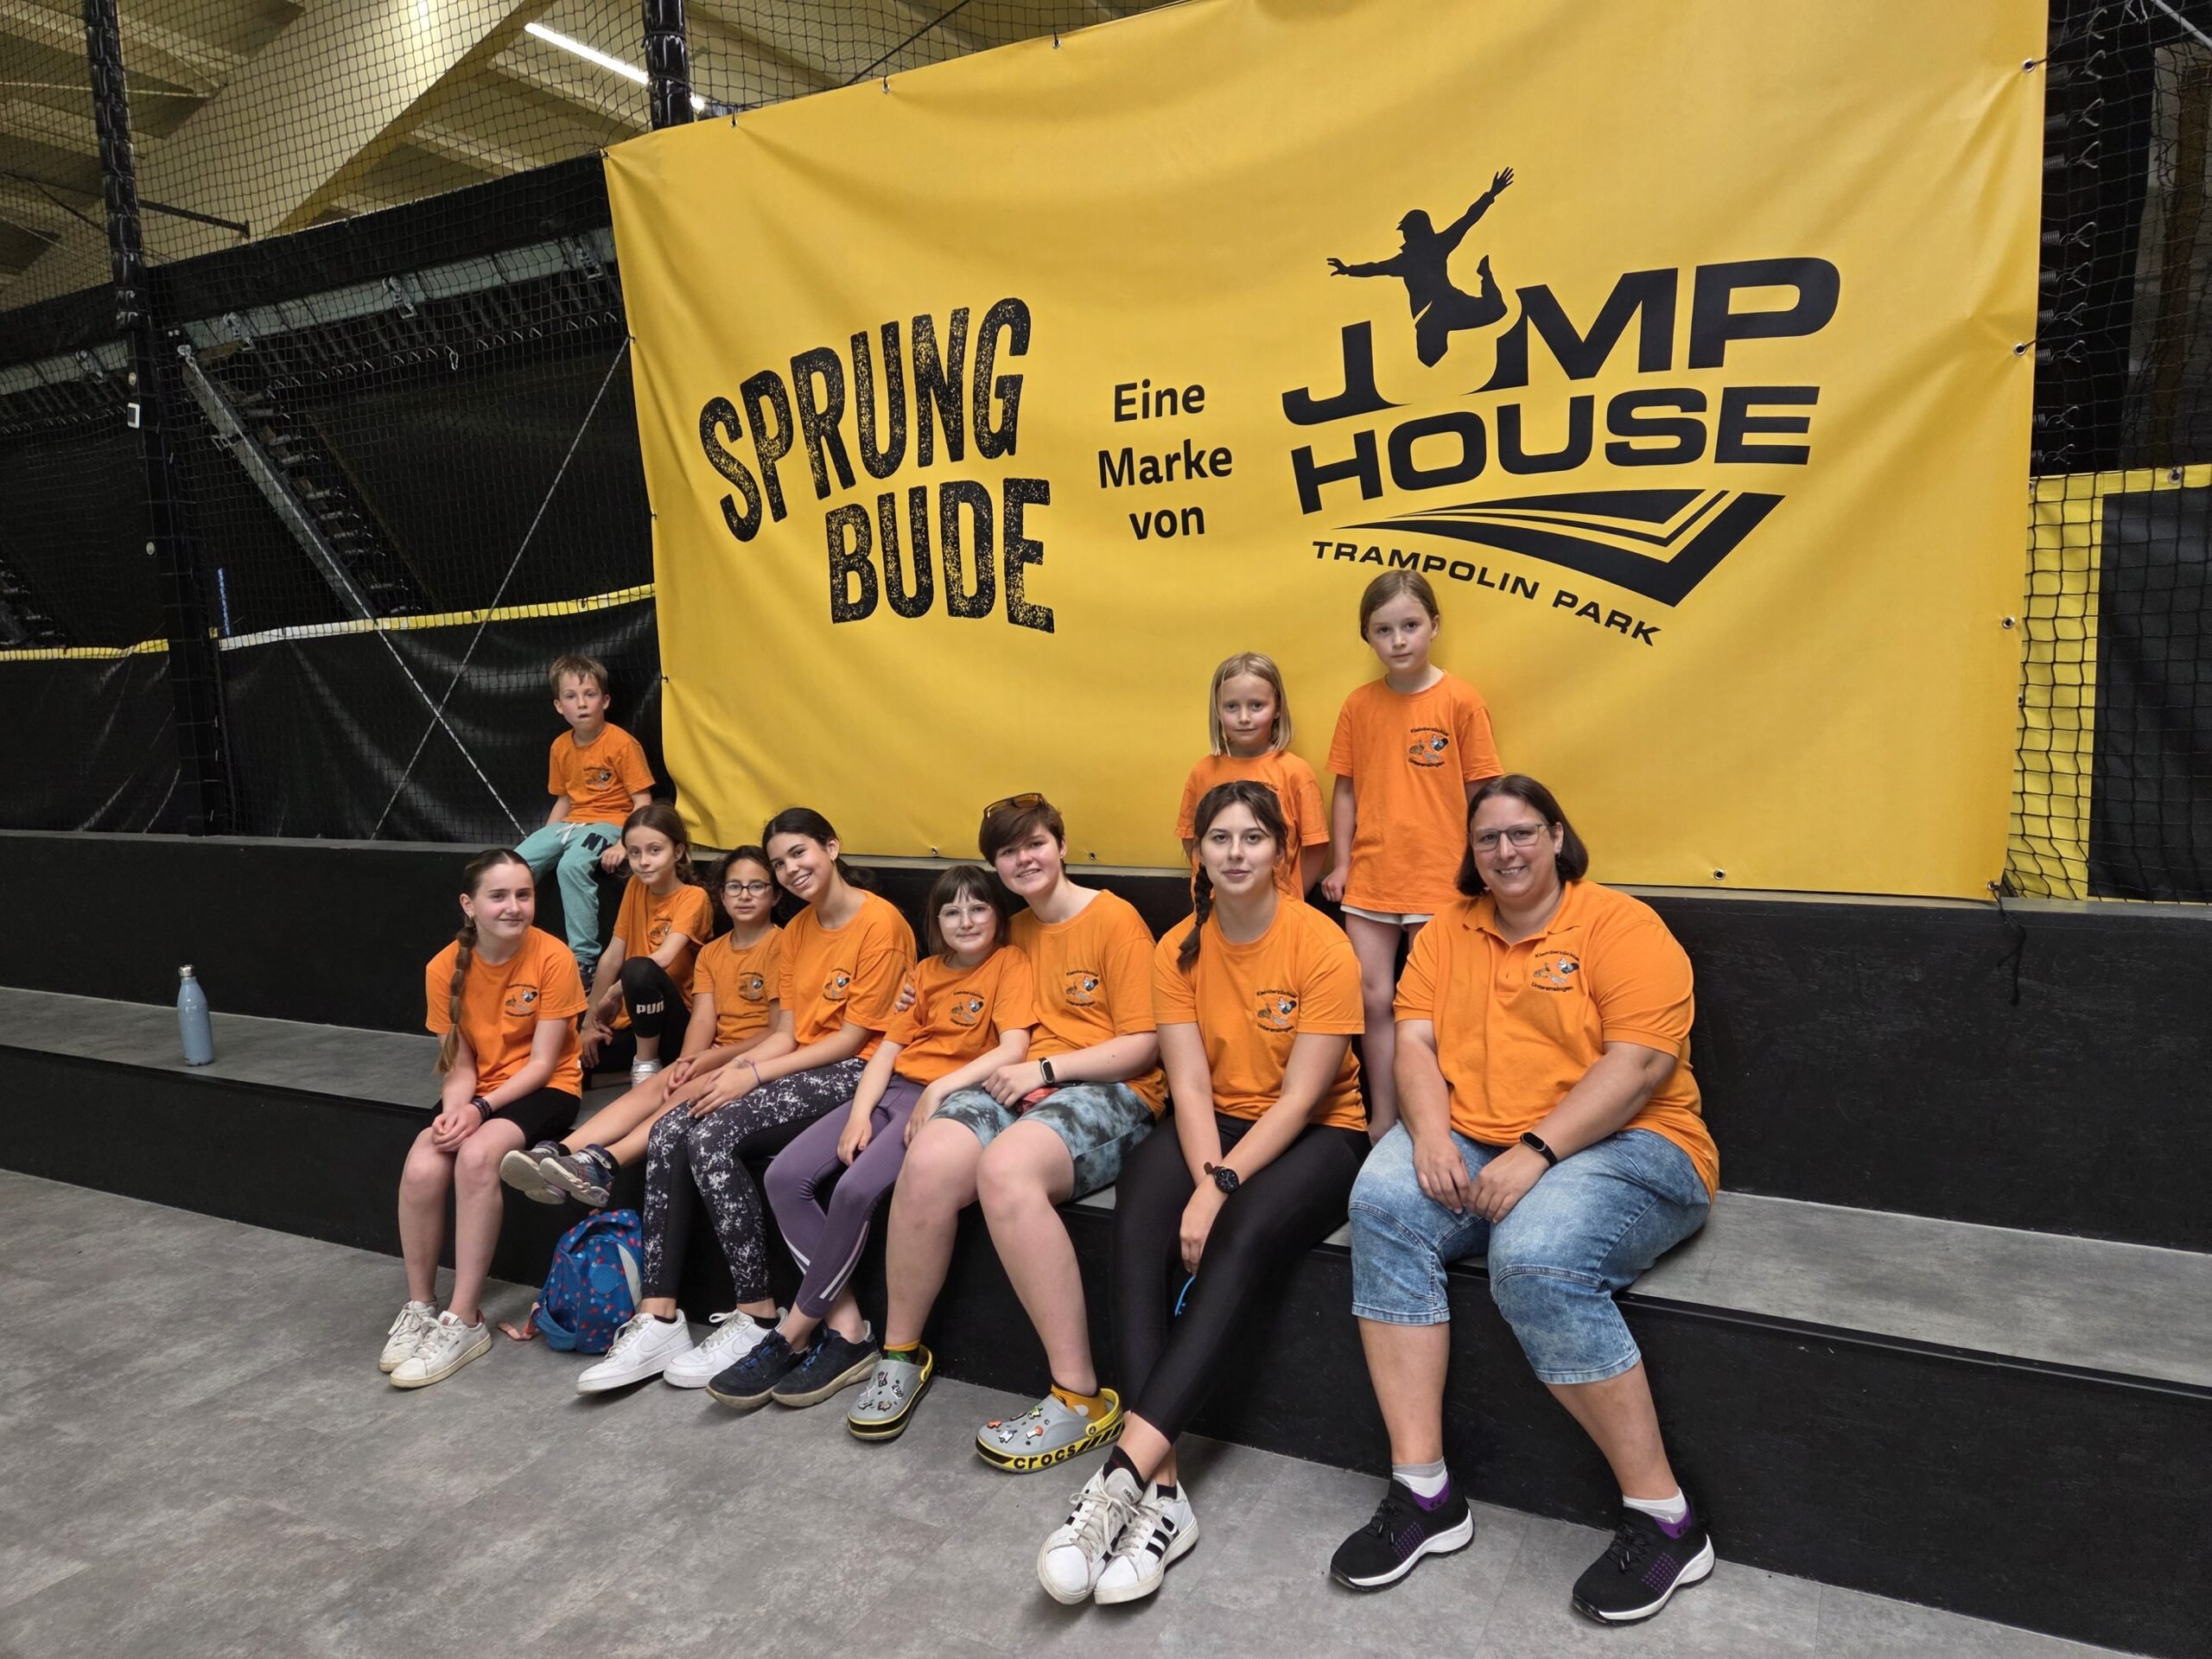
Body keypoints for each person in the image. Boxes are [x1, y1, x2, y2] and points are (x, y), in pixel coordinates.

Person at [1326, 776, 1719, 1626]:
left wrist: (1536, 1153)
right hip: (1477, 1137)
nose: (1504, 851)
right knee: (1382, 1205)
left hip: (1633, 1144)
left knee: (1535, 1257)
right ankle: (1424, 1494)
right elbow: (1414, 1043)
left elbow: (1639, 1067)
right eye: (1487, 839)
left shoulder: (1620, 926)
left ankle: (1667, 1520)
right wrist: (1430, 1137)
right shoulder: (1446, 931)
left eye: (1521, 833)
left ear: (1557, 836)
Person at [1037, 782, 1369, 1606]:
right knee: (1137, 1222)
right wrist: (1202, 1173)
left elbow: (1301, 1098)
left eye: (1253, 837)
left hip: (1321, 1131)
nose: (1235, 852)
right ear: (1197, 852)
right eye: (1219, 838)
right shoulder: (1179, 947)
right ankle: (1165, 1493)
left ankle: (1117, 1480)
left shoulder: (1322, 945)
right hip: (1212, 1118)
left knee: (1241, 1233)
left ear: (1281, 851)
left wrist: (1218, 1187)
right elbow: (1187, 1086)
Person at [572, 808, 914, 1396]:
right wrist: (733, 1070)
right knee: (674, 1125)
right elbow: (787, 1032)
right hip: (797, 1062)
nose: (790, 869)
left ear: (832, 848)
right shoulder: (799, 930)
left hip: (857, 1071)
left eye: (799, 853)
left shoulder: (880, 923)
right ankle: (658, 1316)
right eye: (779, 862)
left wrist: (751, 1074)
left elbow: (850, 1041)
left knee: (710, 1134)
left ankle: (756, 1313)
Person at [874, 792, 1163, 1465]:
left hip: (1113, 1088)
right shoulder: (1016, 929)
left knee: (1005, 1170)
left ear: (1061, 846)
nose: (1024, 859)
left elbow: (1144, 1046)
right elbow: (955, 983)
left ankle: (1080, 1398)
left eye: (1035, 843)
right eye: (1008, 851)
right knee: (929, 1158)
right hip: (1022, 1079)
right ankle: (899, 1354)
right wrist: (916, 998)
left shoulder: (1116, 920)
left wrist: (1047, 1069)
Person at [731, 866, 1035, 1416]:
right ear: (935, 922)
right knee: (784, 1176)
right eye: (951, 911)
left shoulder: (1009, 963)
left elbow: (1013, 1048)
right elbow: (888, 1052)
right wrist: (858, 1115)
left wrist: (939, 1089)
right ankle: (846, 1328)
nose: (966, 921)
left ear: (998, 914)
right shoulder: (924, 971)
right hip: (889, 1089)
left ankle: (793, 1331)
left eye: (978, 908)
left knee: (852, 1191)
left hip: (942, 1100)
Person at [382, 849, 587, 1389]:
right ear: (469, 905)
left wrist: (479, 1112)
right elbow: (460, 1066)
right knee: (423, 1164)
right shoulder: (442, 967)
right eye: (499, 896)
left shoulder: (553, 957)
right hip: (477, 1092)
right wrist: (456, 1112)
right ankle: (421, 1306)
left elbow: (544, 1064)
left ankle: (465, 1318)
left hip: (546, 1087)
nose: (514, 906)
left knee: (476, 1158)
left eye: (524, 894)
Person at [498, 846, 782, 1225]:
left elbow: (778, 1032)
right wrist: (686, 1062)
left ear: (775, 895)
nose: (744, 895)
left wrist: (705, 1062)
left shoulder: (783, 946)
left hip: (757, 1062)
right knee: (660, 1084)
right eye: (735, 887)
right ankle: (558, 1152)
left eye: (756, 886)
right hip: (713, 1053)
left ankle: (600, 1163)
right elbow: (702, 1019)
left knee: (681, 1092)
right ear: (723, 895)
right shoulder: (712, 953)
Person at [1321, 569, 1502, 1135]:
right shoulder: (1358, 705)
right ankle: (1382, 1118)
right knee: (1372, 1000)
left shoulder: (1462, 701)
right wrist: (1342, 864)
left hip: (1441, 879)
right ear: (1367, 636)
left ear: (1434, 626)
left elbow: (1482, 794)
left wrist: (1482, 867)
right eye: (1384, 630)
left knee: (1432, 1007)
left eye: (1410, 625)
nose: (1398, 640)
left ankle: (1436, 1121)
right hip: (1372, 878)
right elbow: (1346, 790)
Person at [512, 653, 654, 982]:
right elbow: (564, 799)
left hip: (610, 823)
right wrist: (546, 840)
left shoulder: (622, 744)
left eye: (589, 694)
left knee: (572, 865)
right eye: (571, 696)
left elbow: (643, 801)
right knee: (515, 863)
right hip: (570, 824)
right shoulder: (560, 747)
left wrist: (625, 844)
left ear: (604, 700)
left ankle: (584, 961)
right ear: (559, 706)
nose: (581, 703)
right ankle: (508, 940)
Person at [577, 803, 714, 1085]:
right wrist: (589, 1023)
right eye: (635, 852)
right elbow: (612, 955)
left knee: (638, 969)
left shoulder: (694, 897)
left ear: (678, 852)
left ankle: (646, 1065)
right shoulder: (636, 886)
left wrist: (614, 993)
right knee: (572, 1060)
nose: (643, 862)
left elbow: (664, 958)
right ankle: (632, 1070)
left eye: (654, 850)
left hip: (675, 1023)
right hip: (634, 1020)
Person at [1175, 652, 1329, 900]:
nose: (1244, 718)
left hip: (1277, 908)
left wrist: (1293, 896)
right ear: (1217, 710)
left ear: (1277, 708)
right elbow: (1190, 837)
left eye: (1257, 705)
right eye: (1231, 706)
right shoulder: (1203, 772)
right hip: (1216, 907)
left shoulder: (1295, 772)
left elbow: (1316, 846)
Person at [1327, 168, 1515, 367]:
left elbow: (1467, 220)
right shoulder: (1419, 254)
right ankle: (1481, 280)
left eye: (1406, 232)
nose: (1404, 236)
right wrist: (1348, 270)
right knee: (1429, 358)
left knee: (1497, 309)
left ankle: (1485, 275)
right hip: (1435, 314)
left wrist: (1491, 194)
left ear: (1415, 231)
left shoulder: (1429, 249)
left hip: (1445, 307)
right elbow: (1375, 268)